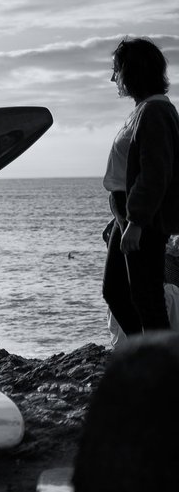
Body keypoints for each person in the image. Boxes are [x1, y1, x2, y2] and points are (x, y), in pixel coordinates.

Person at [102, 37, 179, 335]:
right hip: (128, 215)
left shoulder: (155, 112)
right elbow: (129, 173)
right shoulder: (143, 109)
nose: (113, 78)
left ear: (133, 72)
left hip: (142, 219)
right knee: (117, 292)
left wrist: (135, 222)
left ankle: (159, 370)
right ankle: (143, 358)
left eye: (116, 70)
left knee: (147, 299)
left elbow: (156, 173)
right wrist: (120, 219)